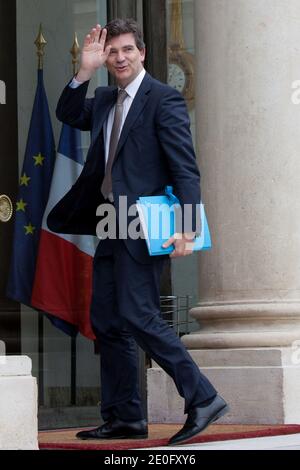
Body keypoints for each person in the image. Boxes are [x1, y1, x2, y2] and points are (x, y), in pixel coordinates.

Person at [48, 18, 228, 445]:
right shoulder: (107, 97)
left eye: (127, 49)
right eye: (112, 52)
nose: (120, 57)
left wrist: (187, 227)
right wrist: (84, 72)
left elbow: (186, 168)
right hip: (111, 221)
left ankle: (203, 398)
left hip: (145, 224)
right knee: (107, 320)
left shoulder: (162, 100)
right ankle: (125, 416)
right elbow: (69, 113)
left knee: (138, 314)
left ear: (142, 52)